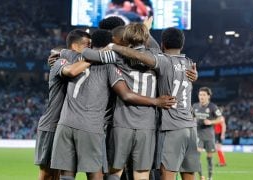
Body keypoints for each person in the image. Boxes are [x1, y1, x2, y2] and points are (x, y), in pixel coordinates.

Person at [50, 29, 176, 180]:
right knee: (96, 174)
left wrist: (58, 53)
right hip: (91, 126)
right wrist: (156, 101)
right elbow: (125, 94)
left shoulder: (71, 56)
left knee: (66, 175)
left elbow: (59, 52)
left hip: (65, 124)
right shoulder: (110, 65)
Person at [94, 25, 199, 180]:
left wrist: (112, 46)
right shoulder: (189, 63)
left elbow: (138, 57)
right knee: (153, 173)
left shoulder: (159, 60)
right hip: (182, 126)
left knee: (117, 171)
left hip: (165, 127)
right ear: (182, 45)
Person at [34, 29, 93, 180]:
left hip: (68, 124)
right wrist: (95, 57)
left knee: (61, 174)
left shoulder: (83, 65)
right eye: (87, 45)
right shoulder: (62, 62)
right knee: (48, 174)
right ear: (74, 46)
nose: (90, 49)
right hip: (52, 124)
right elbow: (72, 71)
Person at [192, 87, 224, 180]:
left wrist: (211, 122)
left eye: (203, 95)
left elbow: (221, 118)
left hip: (209, 136)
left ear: (208, 96)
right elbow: (191, 117)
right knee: (196, 155)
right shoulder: (195, 106)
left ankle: (210, 177)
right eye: (200, 95)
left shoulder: (212, 107)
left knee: (209, 157)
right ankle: (201, 176)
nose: (201, 97)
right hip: (198, 135)